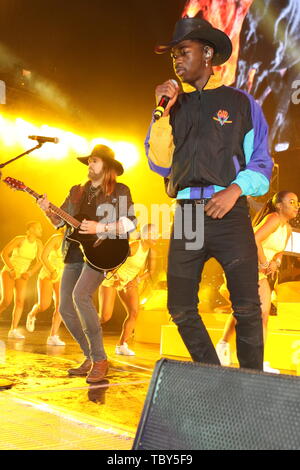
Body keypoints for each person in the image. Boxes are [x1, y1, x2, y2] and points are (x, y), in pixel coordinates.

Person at [145, 17, 274, 370]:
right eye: (173, 56)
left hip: (228, 211)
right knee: (180, 306)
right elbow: (159, 162)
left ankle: (251, 382)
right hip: (187, 214)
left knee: (247, 306)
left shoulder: (240, 103)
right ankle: (213, 375)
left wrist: (234, 191)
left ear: (207, 53)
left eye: (183, 52)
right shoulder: (172, 107)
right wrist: (161, 113)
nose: (177, 61)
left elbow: (262, 165)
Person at [37, 145, 136, 383]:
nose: (89, 165)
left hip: (103, 252)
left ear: (107, 166)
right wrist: (46, 210)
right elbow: (60, 222)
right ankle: (90, 356)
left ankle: (100, 360)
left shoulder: (120, 190)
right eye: (89, 161)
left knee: (80, 296)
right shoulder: (76, 191)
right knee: (64, 309)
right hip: (74, 251)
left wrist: (100, 228)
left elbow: (131, 223)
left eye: (94, 161)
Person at [216, 191, 299, 372]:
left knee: (252, 313)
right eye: (291, 202)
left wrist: (275, 262)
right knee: (259, 314)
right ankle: (255, 361)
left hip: (257, 270)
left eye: (297, 203)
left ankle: (225, 346)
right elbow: (254, 239)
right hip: (243, 265)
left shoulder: (287, 229)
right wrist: (264, 263)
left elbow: (279, 251)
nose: (296, 206)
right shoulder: (274, 219)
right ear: (279, 205)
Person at [99, 223, 158, 356]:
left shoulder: (152, 251)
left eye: (157, 234)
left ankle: (122, 345)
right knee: (105, 316)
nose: (156, 236)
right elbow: (113, 260)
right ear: (144, 235)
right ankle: (86, 331)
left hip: (128, 282)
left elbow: (151, 271)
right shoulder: (134, 246)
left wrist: (137, 280)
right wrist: (117, 277)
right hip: (112, 278)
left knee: (134, 312)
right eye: (152, 233)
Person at [0, 221, 43, 339]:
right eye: (38, 228)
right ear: (30, 229)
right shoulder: (19, 240)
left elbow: (40, 261)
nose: (41, 230)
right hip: (9, 271)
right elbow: (4, 253)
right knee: (6, 301)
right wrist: (11, 269)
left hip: (22, 274)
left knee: (20, 302)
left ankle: (13, 330)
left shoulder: (38, 243)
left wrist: (30, 272)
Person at [26, 232, 65, 346]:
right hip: (48, 273)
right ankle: (32, 314)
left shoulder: (77, 242)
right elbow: (43, 257)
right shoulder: (56, 238)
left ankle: (52, 336)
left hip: (62, 275)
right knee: (44, 305)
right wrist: (52, 271)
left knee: (60, 306)